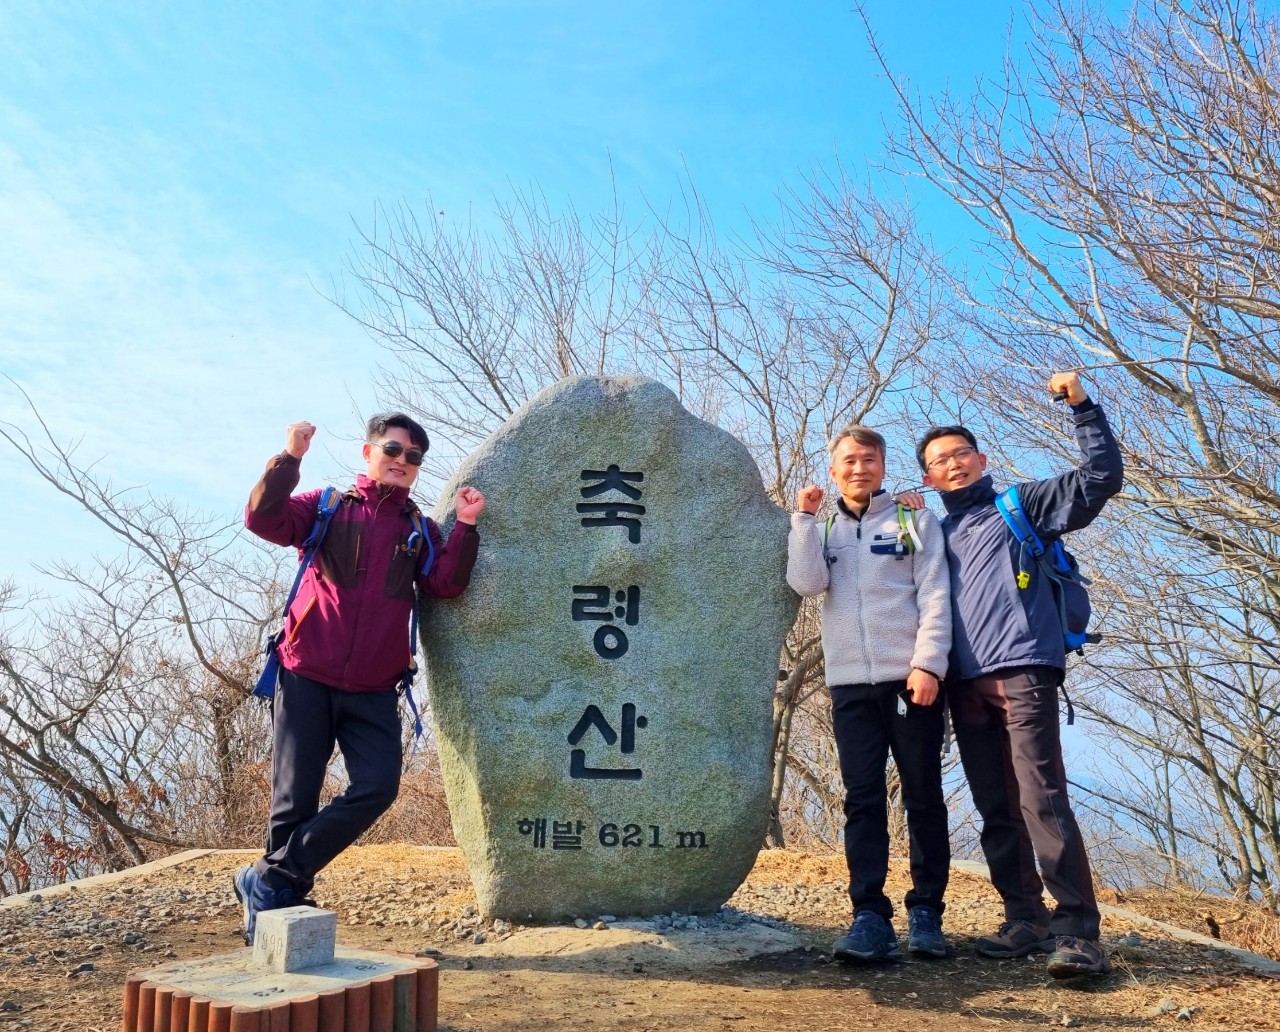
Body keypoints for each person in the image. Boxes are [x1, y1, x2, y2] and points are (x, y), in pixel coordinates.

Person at [235, 413, 484, 944]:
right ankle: (279, 905)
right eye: (393, 449)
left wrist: (465, 527)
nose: (402, 461)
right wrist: (289, 461)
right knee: (294, 799)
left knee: (377, 786)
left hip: (375, 686)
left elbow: (445, 585)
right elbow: (262, 519)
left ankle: (268, 877)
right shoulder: (327, 507)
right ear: (368, 452)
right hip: (306, 673)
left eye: (414, 457)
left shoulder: (419, 528)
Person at [916, 371, 1123, 978]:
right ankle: (1024, 917)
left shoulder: (1021, 505)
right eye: (938, 462)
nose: (951, 466)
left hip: (1023, 669)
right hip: (962, 684)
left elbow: (1100, 478)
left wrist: (1081, 406)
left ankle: (1078, 931)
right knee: (996, 805)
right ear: (927, 478)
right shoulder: (933, 532)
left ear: (981, 460)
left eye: (960, 455)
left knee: (1041, 796)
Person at [787, 425, 952, 962]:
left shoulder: (912, 517)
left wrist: (928, 664)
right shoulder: (825, 524)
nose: (860, 468)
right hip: (849, 684)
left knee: (923, 793)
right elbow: (807, 583)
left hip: (910, 680)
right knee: (862, 800)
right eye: (850, 461)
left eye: (870, 460)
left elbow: (934, 594)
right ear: (834, 469)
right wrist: (803, 521)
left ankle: (926, 912)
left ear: (884, 466)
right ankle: (869, 916)